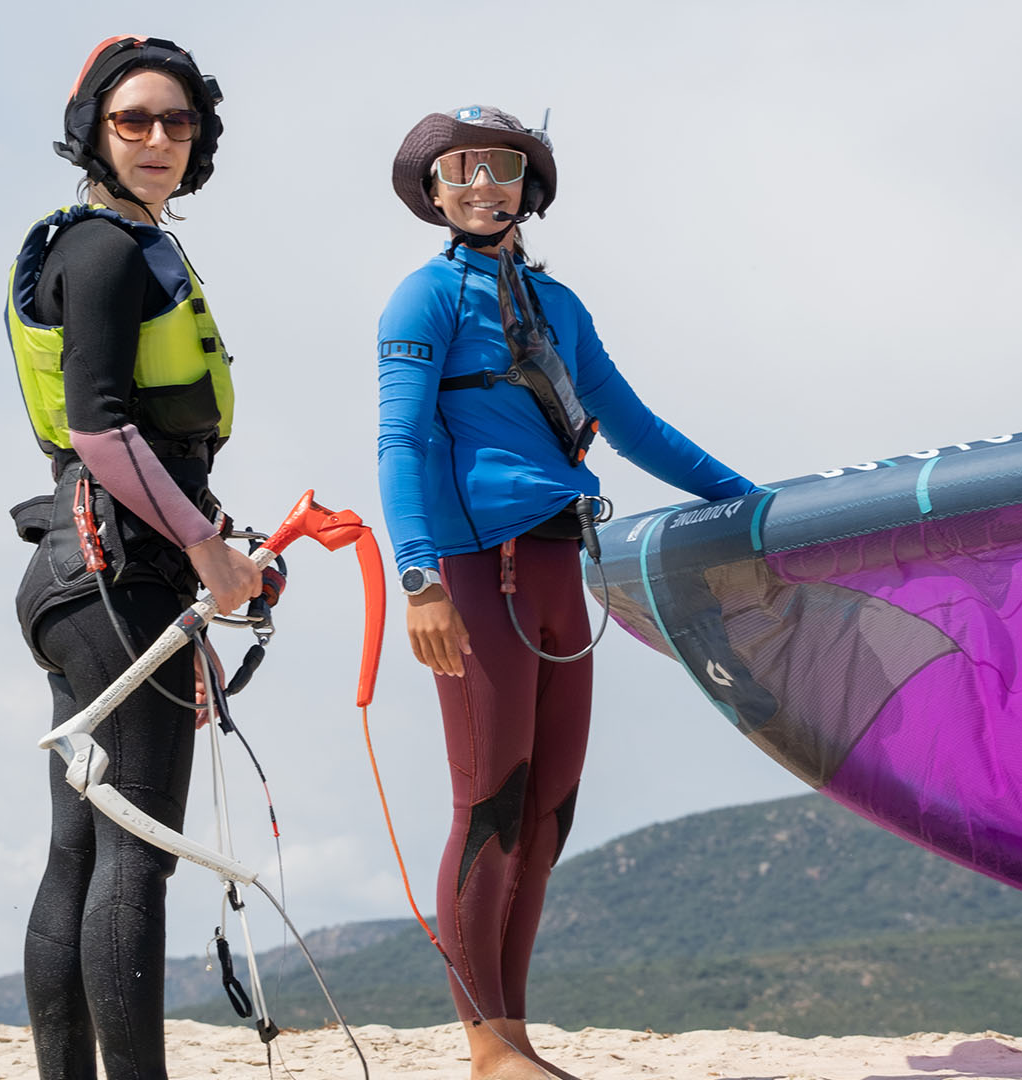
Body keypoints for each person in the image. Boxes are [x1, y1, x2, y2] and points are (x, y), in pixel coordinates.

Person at [375, 106, 759, 1079]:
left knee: (549, 808)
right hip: (473, 571)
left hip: (559, 566)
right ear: (432, 189)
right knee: (489, 799)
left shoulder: (562, 309)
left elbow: (635, 428)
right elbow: (400, 445)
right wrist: (416, 576)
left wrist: (753, 504)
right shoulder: (421, 302)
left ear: (525, 183)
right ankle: (482, 1043)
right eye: (457, 168)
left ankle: (516, 1035)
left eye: (497, 166)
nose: (478, 183)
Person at [4, 35, 262, 1080]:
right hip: (119, 577)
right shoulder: (107, 249)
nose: (158, 139)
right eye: (134, 121)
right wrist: (206, 550)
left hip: (79, 571)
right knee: (135, 852)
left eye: (178, 122)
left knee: (83, 848)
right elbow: (103, 430)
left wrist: (210, 538)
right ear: (94, 131)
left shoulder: (115, 245)